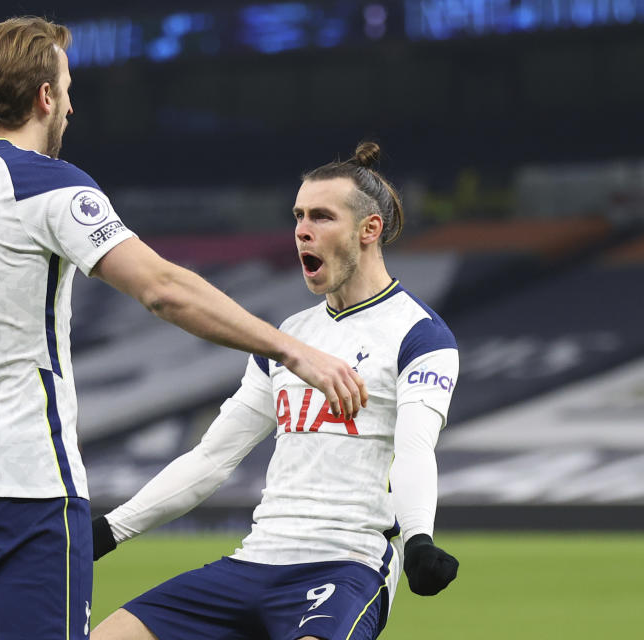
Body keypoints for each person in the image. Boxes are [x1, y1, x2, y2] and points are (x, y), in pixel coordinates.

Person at [0, 17, 367, 640]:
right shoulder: (48, 184)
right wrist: (290, 348)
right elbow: (164, 290)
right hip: (26, 486)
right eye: (67, 86)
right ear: (43, 96)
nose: (71, 103)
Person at [91, 142, 460, 640]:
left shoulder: (419, 335)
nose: (303, 230)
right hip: (255, 560)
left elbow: (416, 450)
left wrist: (418, 539)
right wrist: (108, 531)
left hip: (344, 566)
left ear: (369, 230)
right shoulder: (289, 338)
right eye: (298, 216)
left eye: (323, 217)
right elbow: (212, 459)